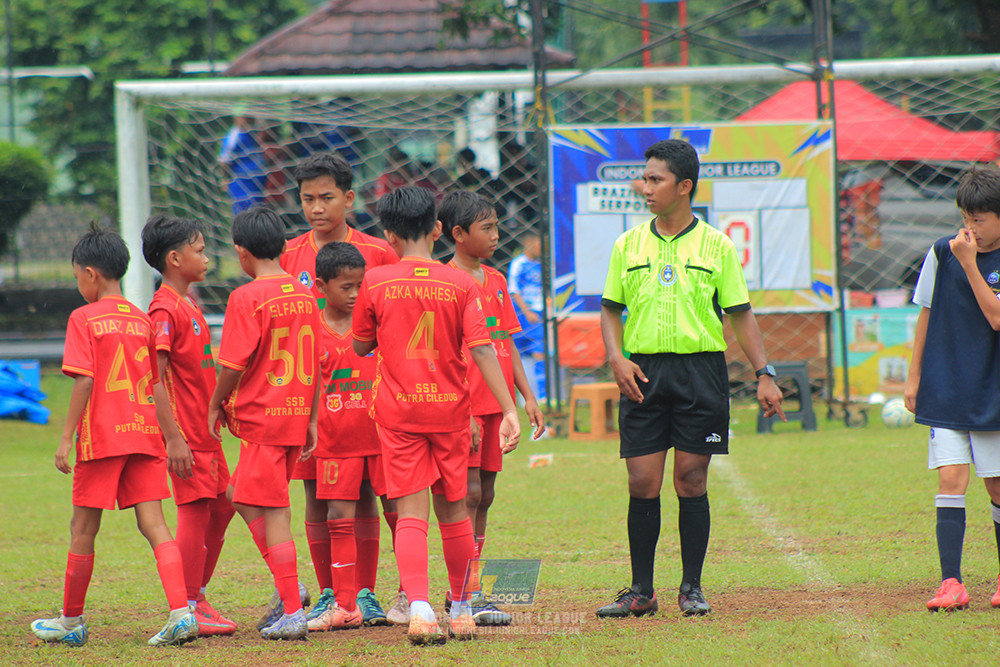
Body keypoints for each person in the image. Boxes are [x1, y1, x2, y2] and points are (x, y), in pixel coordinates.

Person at [598, 139, 785, 619]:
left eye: (655, 179)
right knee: (642, 480)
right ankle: (641, 590)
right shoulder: (627, 244)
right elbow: (609, 309)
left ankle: (691, 588)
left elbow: (741, 315)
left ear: (684, 186)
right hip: (642, 371)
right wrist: (616, 358)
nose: (645, 187)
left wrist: (764, 374)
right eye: (645, 178)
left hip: (701, 372)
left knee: (690, 478)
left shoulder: (717, 245)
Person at [353, 186, 521, 645]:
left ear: (388, 234)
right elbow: (483, 348)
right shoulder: (462, 283)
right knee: (454, 512)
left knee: (410, 511)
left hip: (400, 413)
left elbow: (361, 345)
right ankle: (463, 608)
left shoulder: (375, 281)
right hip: (450, 412)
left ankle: (422, 610)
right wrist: (509, 408)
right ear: (439, 229)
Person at [31, 223, 198, 647]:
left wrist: (66, 437)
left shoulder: (83, 318)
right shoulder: (142, 320)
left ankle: (70, 621)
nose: (78, 286)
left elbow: (84, 382)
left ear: (91, 274)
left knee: (83, 527)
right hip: (143, 434)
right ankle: (182, 612)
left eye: (76, 278)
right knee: (156, 524)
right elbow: (156, 384)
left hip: (102, 437)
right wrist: (172, 436)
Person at [280, 152, 399, 627]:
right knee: (314, 492)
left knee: (367, 491)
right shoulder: (289, 255)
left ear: (348, 198)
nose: (316, 208)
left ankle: (364, 592)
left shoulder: (378, 254)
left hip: (368, 403)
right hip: (312, 400)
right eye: (307, 198)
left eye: (326, 197)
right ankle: (330, 591)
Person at [207, 206, 323, 640]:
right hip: (293, 415)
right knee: (240, 494)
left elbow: (233, 364)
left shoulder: (247, 297)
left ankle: (292, 605)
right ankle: (289, 583)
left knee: (273, 512)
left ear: (242, 252)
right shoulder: (305, 294)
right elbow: (316, 363)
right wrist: (310, 419)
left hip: (263, 418)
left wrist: (215, 403)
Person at [440, 191, 547, 627]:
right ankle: (462, 592)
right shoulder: (445, 282)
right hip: (463, 407)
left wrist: (527, 398)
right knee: (465, 494)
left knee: (485, 494)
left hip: (496, 406)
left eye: (497, 226)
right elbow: (445, 355)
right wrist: (462, 411)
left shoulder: (497, 280)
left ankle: (473, 586)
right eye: (487, 228)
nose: (497, 235)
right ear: (459, 234)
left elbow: (506, 345)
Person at [904, 165, 1000, 612]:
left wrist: (970, 263)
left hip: (991, 388)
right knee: (950, 477)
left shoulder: (965, 257)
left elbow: (996, 317)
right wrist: (914, 376)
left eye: (979, 218)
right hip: (946, 384)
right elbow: (924, 313)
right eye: (966, 216)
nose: (970, 227)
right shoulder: (942, 252)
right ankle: (951, 582)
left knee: (997, 487)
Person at [141, 214, 237, 636]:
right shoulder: (163, 307)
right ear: (175, 258)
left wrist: (221, 405)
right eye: (199, 250)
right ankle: (188, 604)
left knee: (226, 504)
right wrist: (174, 438)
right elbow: (154, 377)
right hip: (188, 438)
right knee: (195, 513)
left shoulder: (188, 302)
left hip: (206, 433)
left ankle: (196, 595)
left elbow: (197, 370)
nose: (206, 256)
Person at [305, 242, 380, 632]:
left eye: (359, 286)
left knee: (377, 507)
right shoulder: (311, 330)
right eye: (346, 287)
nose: (354, 295)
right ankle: (339, 597)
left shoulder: (373, 325)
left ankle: (367, 594)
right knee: (337, 514)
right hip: (333, 442)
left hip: (377, 435)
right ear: (321, 286)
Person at [507, 231, 545, 399]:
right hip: (523, 314)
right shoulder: (518, 263)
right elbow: (514, 291)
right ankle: (524, 396)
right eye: (538, 243)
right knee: (520, 355)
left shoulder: (540, 265)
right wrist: (526, 311)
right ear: (529, 242)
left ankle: (542, 394)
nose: (541, 248)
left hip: (537, 313)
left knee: (539, 352)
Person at [218, 115, 267, 214]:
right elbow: (224, 161)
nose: (250, 120)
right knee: (244, 216)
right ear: (237, 118)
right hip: (242, 184)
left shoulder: (253, 132)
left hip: (257, 183)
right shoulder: (234, 136)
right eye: (246, 117)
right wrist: (225, 179)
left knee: (258, 215)